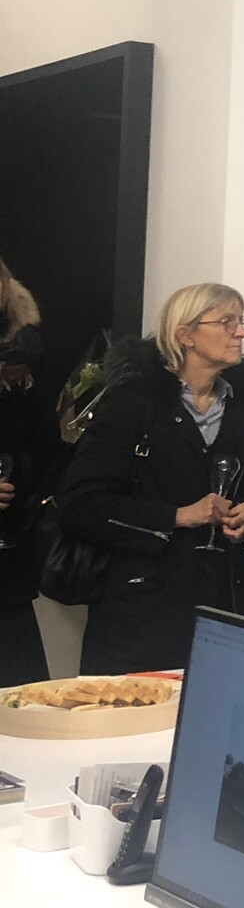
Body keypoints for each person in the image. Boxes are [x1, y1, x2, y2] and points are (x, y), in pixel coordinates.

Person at [56, 285, 244, 674]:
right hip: (140, 613)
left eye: (241, 321)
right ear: (185, 334)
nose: (241, 332)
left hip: (226, 603)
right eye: (227, 322)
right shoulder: (133, 404)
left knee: (223, 708)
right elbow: (80, 504)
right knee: (135, 713)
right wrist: (178, 516)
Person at [0, 255, 46, 686]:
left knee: (24, 700)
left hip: (7, 565)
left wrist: (15, 384)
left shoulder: (21, 352)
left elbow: (36, 447)